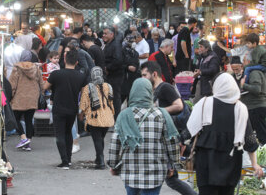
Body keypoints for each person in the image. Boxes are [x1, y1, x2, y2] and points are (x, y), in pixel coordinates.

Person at [186, 73, 263, 195]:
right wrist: (254, 163)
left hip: (206, 161)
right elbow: (249, 139)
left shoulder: (205, 102)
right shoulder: (240, 108)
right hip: (231, 163)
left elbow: (190, 130)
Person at [108, 78, 179, 195]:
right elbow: (171, 141)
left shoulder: (124, 115)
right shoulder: (162, 114)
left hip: (130, 172)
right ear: (149, 92)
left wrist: (113, 165)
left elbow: (115, 142)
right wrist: (173, 164)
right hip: (155, 173)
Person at [140, 61, 196, 195]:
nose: (143, 78)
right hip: (167, 137)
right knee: (171, 178)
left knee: (168, 177)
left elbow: (179, 105)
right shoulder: (156, 90)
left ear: (154, 74)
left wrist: (158, 111)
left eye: (144, 75)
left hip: (171, 136)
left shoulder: (165, 87)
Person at [44, 48, 87, 169]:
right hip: (72, 108)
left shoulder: (56, 74)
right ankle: (68, 160)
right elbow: (83, 94)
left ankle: (64, 161)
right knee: (68, 133)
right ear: (77, 62)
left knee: (60, 134)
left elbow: (45, 87)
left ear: (64, 59)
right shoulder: (81, 76)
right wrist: (82, 110)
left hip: (58, 108)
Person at [79, 66, 114, 169]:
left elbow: (84, 104)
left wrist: (81, 114)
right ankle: (99, 158)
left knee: (97, 140)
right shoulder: (108, 86)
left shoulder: (88, 87)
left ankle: (101, 162)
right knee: (101, 139)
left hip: (95, 118)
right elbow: (111, 102)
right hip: (107, 117)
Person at [9, 50, 43, 151]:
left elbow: (12, 86)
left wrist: (10, 96)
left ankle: (23, 138)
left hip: (19, 98)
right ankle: (28, 143)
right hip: (32, 98)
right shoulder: (36, 69)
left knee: (15, 118)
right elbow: (41, 84)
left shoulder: (16, 69)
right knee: (29, 120)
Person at [241, 55, 266, 145]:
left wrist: (243, 85)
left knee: (261, 135)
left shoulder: (254, 73)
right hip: (253, 107)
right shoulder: (253, 72)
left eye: (244, 60)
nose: (243, 63)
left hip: (256, 107)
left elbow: (256, 89)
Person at [103, 27, 124, 120]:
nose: (104, 35)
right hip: (110, 75)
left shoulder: (116, 45)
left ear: (112, 35)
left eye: (106, 33)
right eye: (103, 34)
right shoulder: (109, 44)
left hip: (115, 75)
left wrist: (108, 68)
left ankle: (116, 119)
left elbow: (118, 60)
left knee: (115, 97)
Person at [121, 34, 139, 104]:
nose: (133, 43)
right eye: (131, 41)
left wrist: (136, 68)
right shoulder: (122, 52)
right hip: (124, 79)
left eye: (134, 41)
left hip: (133, 79)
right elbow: (119, 64)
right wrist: (127, 67)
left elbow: (137, 64)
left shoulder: (135, 53)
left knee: (131, 100)